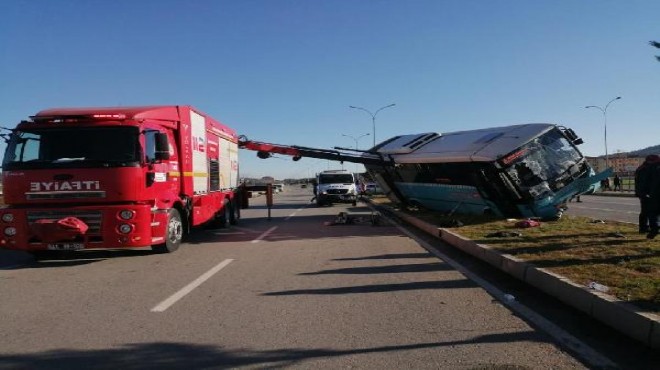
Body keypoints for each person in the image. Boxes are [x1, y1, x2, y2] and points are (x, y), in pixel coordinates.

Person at [635, 156, 658, 234]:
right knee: (647, 211)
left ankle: (644, 227)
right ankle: (645, 228)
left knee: (646, 211)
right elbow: (645, 182)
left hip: (644, 193)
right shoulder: (646, 169)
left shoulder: (642, 168)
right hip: (646, 193)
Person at [645, 155, 660, 239]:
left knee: (653, 213)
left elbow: (646, 181)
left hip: (655, 194)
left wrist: (645, 193)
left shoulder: (651, 168)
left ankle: (654, 229)